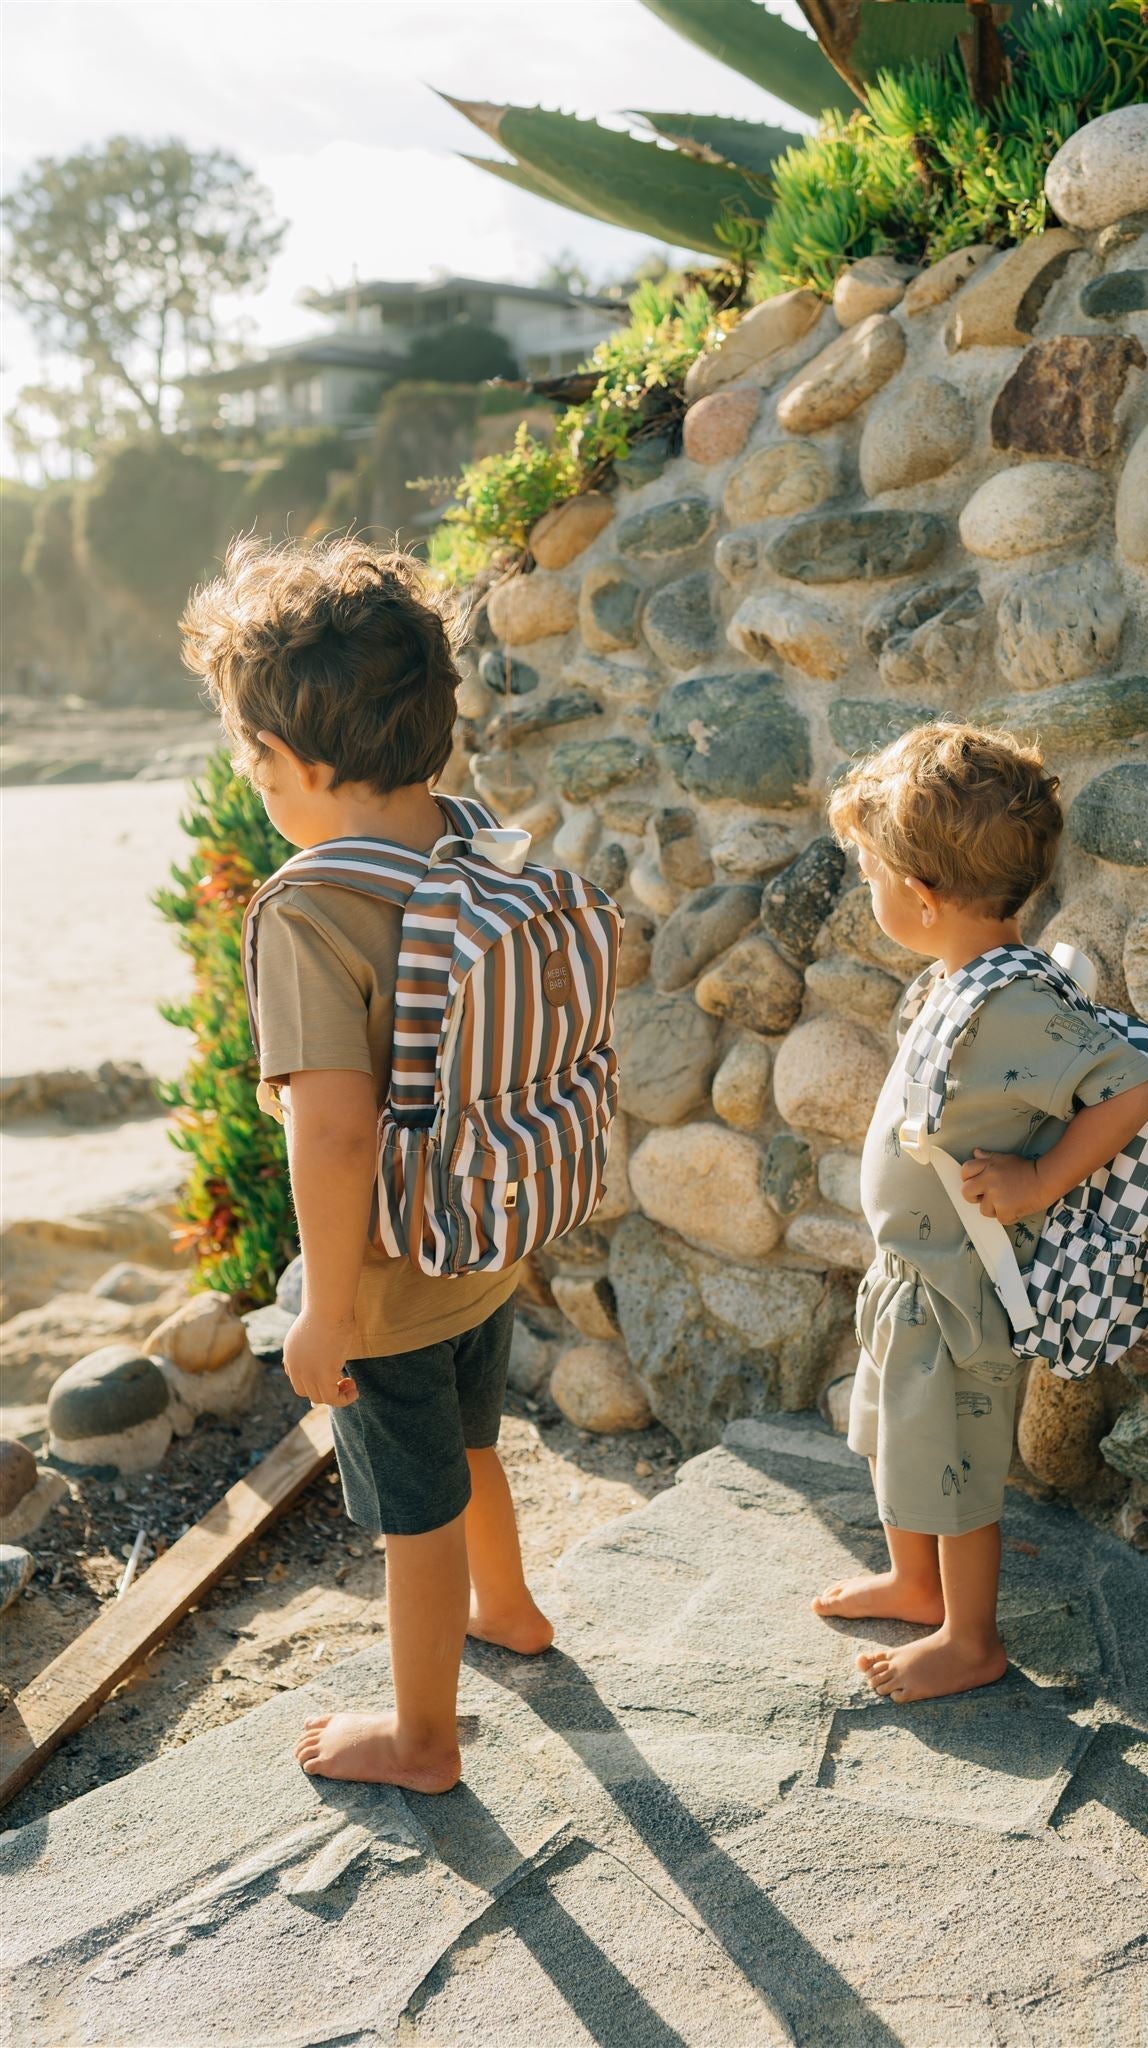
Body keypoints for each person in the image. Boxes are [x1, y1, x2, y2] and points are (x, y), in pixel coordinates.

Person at [182, 535, 552, 1793]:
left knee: (415, 1504)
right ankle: (511, 1607)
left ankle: (421, 1734)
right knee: (477, 1440)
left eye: (252, 757)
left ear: (295, 764)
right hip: (485, 1229)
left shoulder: (309, 907)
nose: (254, 779)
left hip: (391, 1271)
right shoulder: (474, 834)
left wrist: (326, 1308)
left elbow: (331, 1132)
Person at [812, 723, 1148, 1704]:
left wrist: (1040, 1177)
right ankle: (914, 1582)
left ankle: (970, 1636)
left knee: (958, 1462)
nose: (869, 889)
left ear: (918, 897)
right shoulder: (966, 977)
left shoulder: (1016, 1000)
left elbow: (1130, 1086)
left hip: (959, 1291)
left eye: (871, 872)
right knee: (900, 1435)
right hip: (910, 1276)